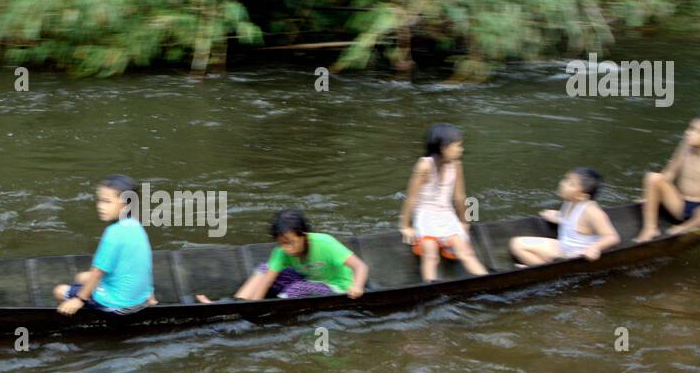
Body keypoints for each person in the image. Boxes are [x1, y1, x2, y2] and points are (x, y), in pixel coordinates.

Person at [196, 209, 368, 302]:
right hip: (308, 278)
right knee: (264, 268)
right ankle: (238, 303)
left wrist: (358, 286)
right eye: (282, 243)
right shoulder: (281, 251)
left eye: (290, 242)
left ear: (304, 235)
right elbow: (267, 280)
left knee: (296, 289)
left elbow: (360, 267)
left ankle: (276, 306)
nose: (286, 248)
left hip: (336, 285)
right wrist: (251, 306)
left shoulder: (325, 243)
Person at [55, 175, 154, 315]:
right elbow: (145, 263)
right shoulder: (135, 225)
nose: (101, 207)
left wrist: (79, 300)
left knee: (59, 290)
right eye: (100, 201)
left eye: (107, 202)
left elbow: (97, 272)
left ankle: (77, 314)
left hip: (117, 305)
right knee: (81, 277)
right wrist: (150, 295)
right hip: (140, 299)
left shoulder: (113, 233)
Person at [399, 123, 488, 281]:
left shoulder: (456, 165)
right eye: (458, 146)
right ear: (444, 147)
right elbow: (411, 198)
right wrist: (405, 226)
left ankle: (487, 280)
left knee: (465, 252)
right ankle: (430, 287)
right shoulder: (424, 165)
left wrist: (464, 221)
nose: (461, 150)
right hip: (425, 216)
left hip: (446, 215)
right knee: (431, 254)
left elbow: (460, 197)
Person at [634, 115, 700, 242]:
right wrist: (650, 194)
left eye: (696, 131)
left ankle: (684, 227)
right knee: (653, 177)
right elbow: (669, 173)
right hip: (680, 204)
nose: (688, 132)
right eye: (690, 128)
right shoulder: (684, 148)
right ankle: (650, 228)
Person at [509, 167, 620, 266]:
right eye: (565, 179)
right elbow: (574, 223)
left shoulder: (593, 212)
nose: (563, 184)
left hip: (576, 255)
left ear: (582, 196)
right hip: (563, 248)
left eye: (571, 184)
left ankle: (543, 270)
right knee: (516, 244)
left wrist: (594, 248)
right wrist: (558, 217)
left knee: (518, 246)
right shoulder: (570, 201)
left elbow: (612, 237)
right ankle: (541, 266)